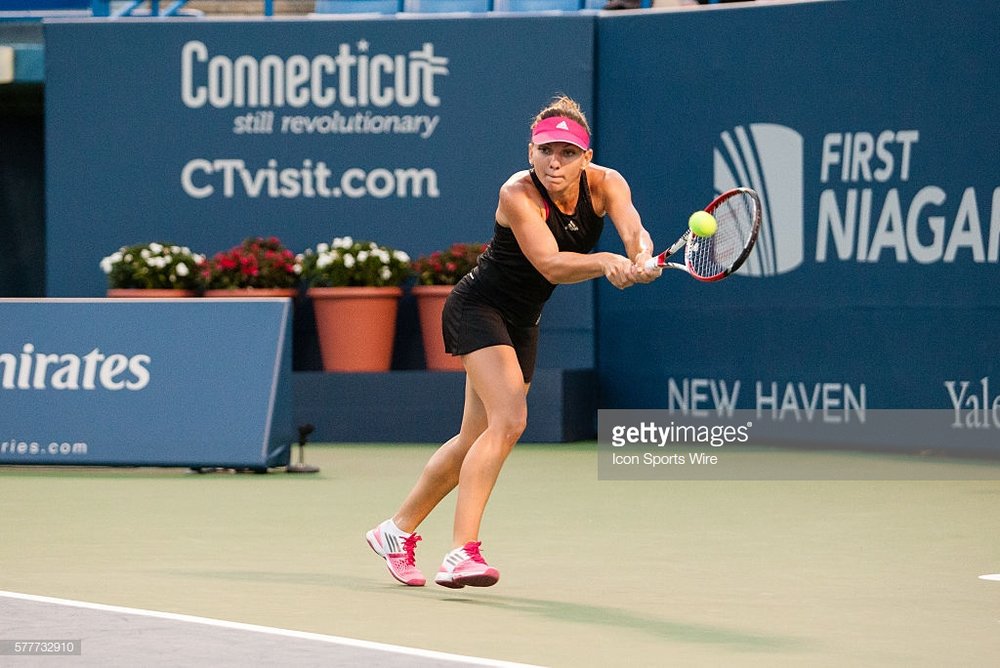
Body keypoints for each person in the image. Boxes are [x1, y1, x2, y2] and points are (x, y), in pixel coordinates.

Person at [366, 95, 661, 588]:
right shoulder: (517, 194)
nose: (555, 161)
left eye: (568, 152)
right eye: (546, 150)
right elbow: (550, 263)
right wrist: (607, 261)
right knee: (510, 420)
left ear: (586, 157)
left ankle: (395, 531)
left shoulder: (608, 184)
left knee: (471, 440)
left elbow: (634, 229)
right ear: (530, 152)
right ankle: (462, 552)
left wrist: (642, 255)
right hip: (478, 309)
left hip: (523, 320)